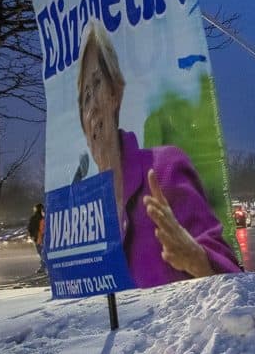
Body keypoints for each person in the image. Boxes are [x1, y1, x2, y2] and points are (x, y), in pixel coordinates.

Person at [76, 19, 242, 287]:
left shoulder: (163, 168)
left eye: (97, 84)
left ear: (115, 92)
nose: (92, 106)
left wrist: (197, 259)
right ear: (81, 121)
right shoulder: (87, 205)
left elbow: (233, 276)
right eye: (84, 97)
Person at [27, 203, 46, 273]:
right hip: (43, 237)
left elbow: (30, 228)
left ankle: (43, 267)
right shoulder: (44, 218)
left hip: (38, 238)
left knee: (41, 253)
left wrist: (32, 235)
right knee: (43, 253)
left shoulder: (34, 218)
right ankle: (44, 266)